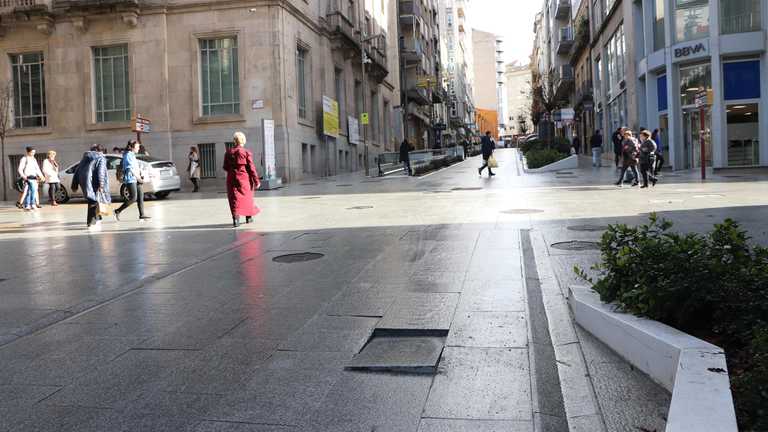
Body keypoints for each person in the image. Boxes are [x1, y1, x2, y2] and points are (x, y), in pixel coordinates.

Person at [223, 131, 261, 228]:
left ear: (234, 141)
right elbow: (251, 168)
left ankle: (235, 219)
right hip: (244, 178)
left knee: (234, 198)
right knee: (247, 197)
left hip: (231, 178)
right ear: (243, 140)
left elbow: (225, 167)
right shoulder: (246, 152)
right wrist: (256, 180)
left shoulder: (228, 152)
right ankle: (248, 217)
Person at [72, 144, 110, 229]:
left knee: (92, 201)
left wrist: (74, 184)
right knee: (94, 202)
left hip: (87, 183)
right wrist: (101, 184)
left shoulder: (85, 158)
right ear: (101, 151)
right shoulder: (101, 158)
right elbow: (101, 172)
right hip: (95, 182)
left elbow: (77, 171)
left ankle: (95, 219)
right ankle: (91, 222)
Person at [115, 140, 151, 221]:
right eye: (137, 147)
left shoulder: (132, 155)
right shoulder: (127, 155)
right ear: (132, 147)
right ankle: (117, 211)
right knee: (133, 198)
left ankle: (142, 215)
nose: (138, 148)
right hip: (130, 179)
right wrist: (138, 178)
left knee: (140, 197)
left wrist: (140, 175)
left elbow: (135, 167)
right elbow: (130, 169)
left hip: (136, 178)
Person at [17, 147, 44, 211]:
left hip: (34, 177)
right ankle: (30, 204)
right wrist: (24, 176)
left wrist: (41, 176)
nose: (33, 153)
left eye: (34, 152)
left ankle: (30, 205)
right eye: (32, 152)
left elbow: (37, 169)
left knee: (32, 191)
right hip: (27, 177)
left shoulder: (34, 159)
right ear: (28, 152)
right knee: (30, 191)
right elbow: (20, 169)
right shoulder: (24, 159)